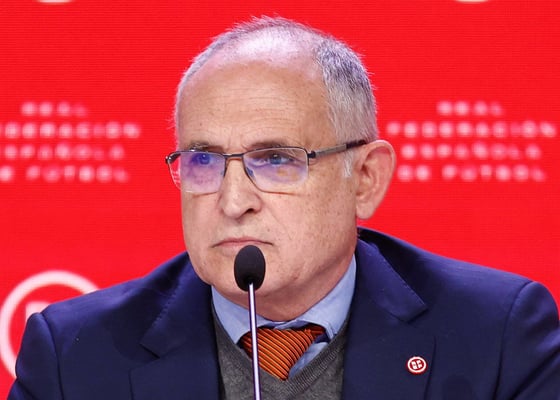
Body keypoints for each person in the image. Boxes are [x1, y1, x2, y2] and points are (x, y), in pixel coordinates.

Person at [8, 16, 560, 400]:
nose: (232, 201)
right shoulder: (74, 358)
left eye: (275, 160)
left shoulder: (496, 338)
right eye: (203, 160)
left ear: (365, 179)